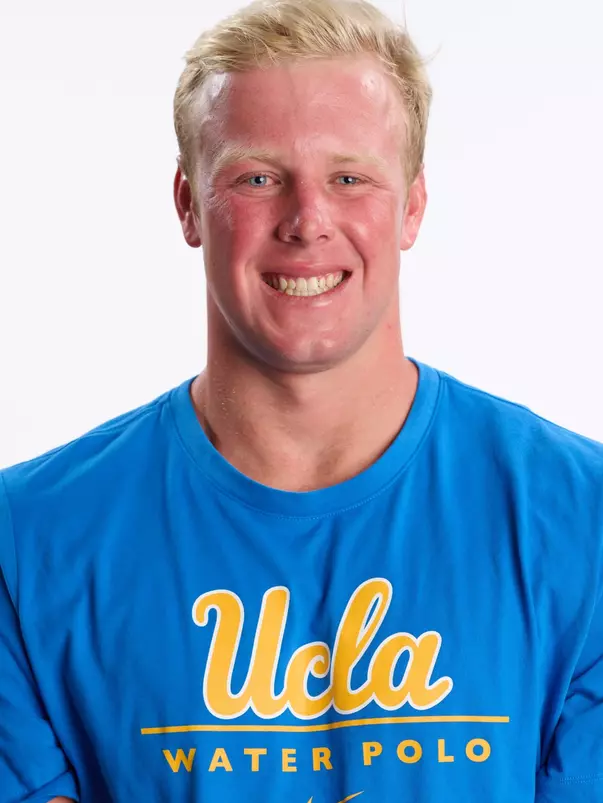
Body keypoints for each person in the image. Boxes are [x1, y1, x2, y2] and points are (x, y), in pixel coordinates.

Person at [1, 0, 602, 800]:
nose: (307, 219)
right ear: (188, 204)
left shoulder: (581, 523)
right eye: (257, 178)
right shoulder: (26, 542)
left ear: (411, 207)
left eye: (349, 177)